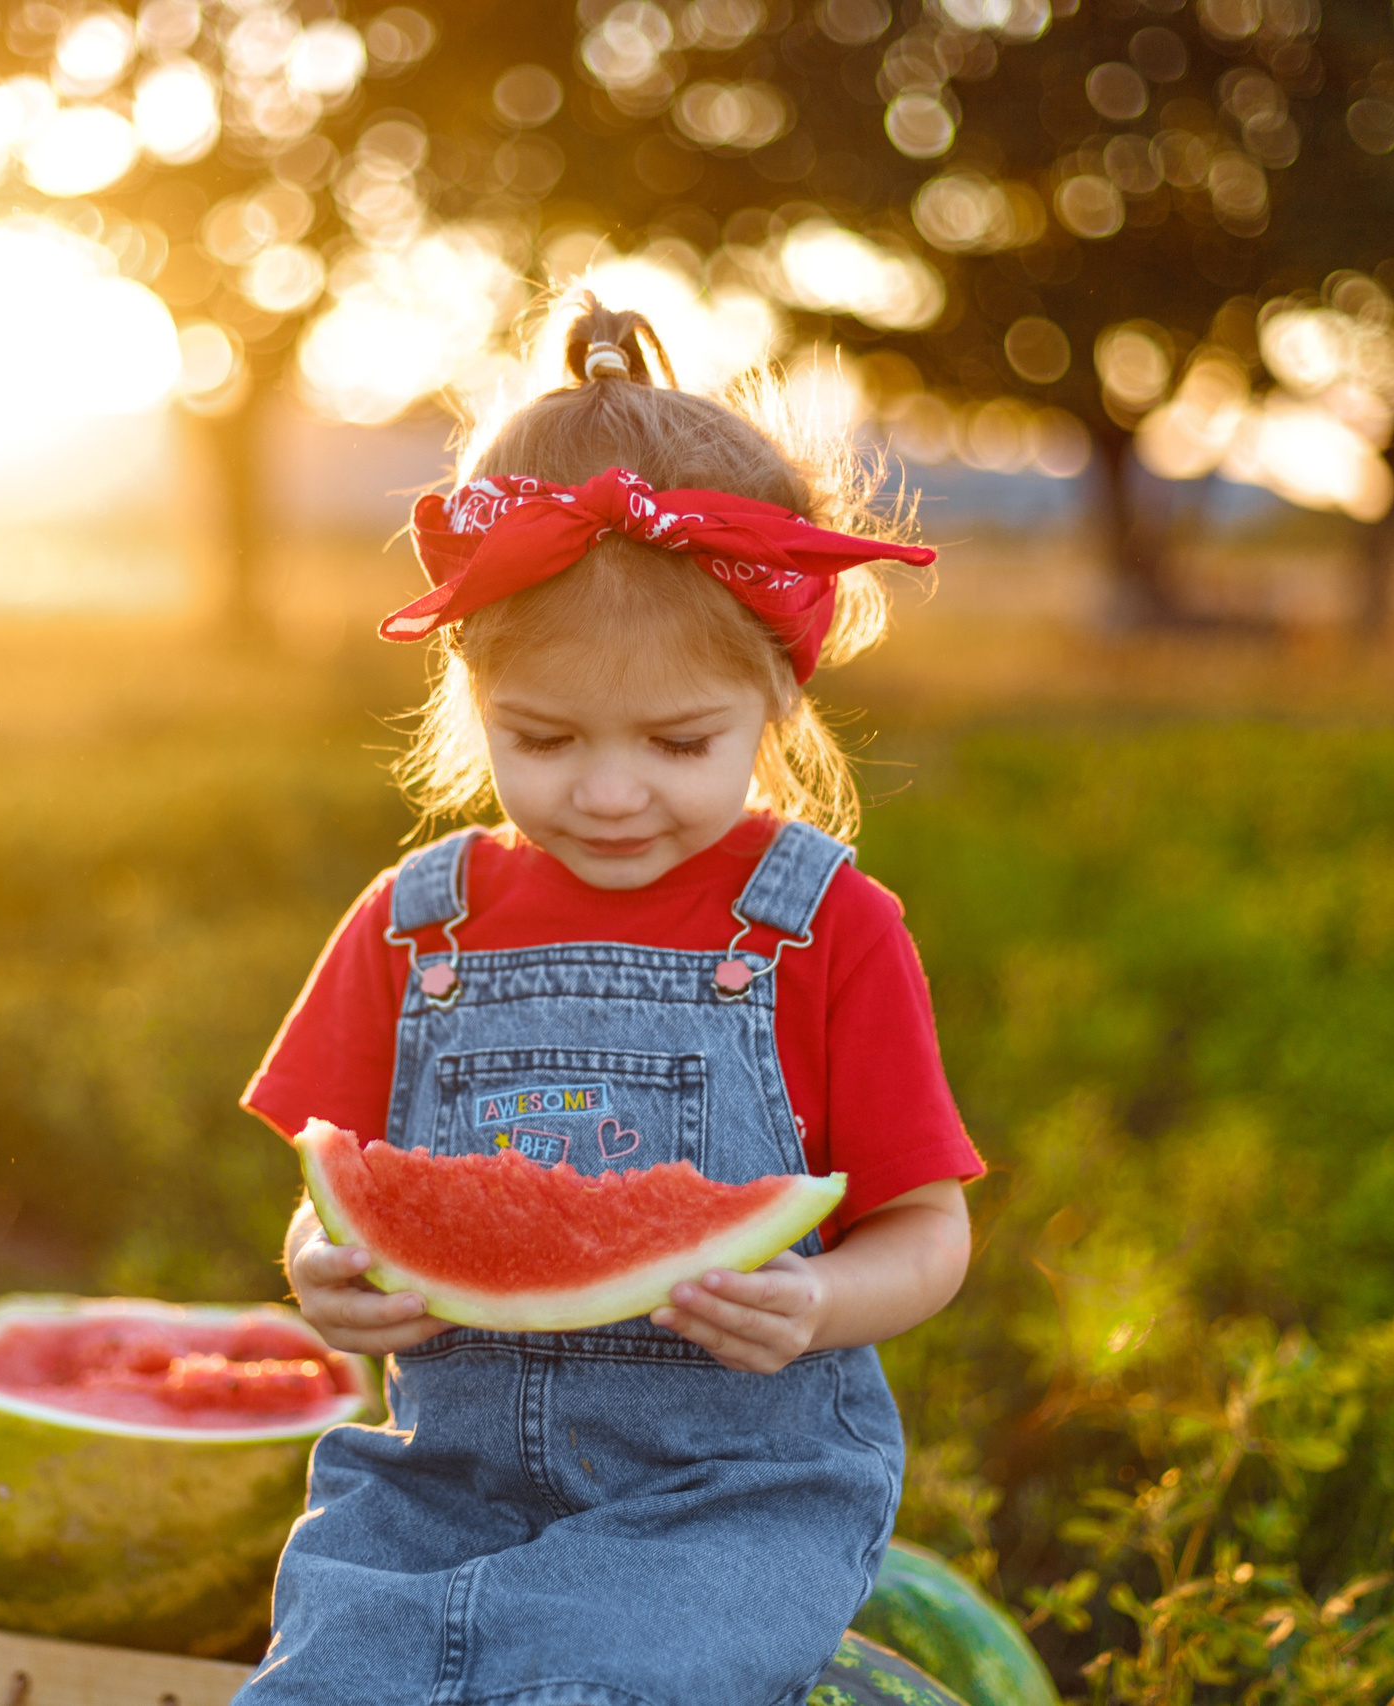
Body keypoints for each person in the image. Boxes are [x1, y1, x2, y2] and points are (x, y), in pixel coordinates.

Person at [236, 297, 984, 1706]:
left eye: (679, 740)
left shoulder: (827, 928)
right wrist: (320, 1270)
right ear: (476, 695)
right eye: (547, 736)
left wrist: (821, 1298)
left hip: (728, 1501)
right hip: (430, 1492)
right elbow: (329, 1186)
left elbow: (930, 1230)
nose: (610, 788)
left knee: (619, 1680)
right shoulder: (414, 924)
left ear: (776, 699)